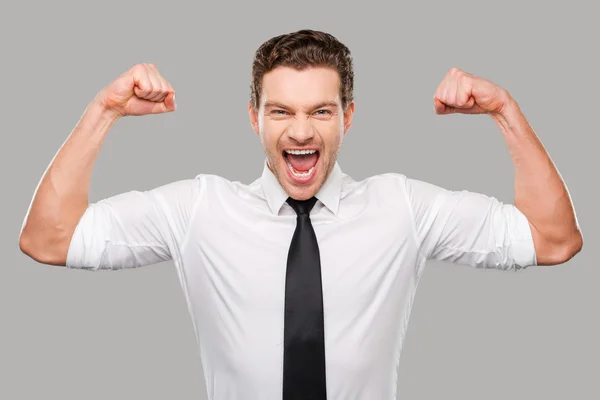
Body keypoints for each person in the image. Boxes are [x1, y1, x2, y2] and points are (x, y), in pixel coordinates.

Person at [19, 29, 582, 400]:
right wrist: (105, 110)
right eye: (281, 110)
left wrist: (505, 111)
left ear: (348, 117)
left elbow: (552, 239)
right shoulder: (199, 210)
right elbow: (49, 239)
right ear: (254, 118)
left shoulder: (402, 208)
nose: (301, 130)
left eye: (321, 110)